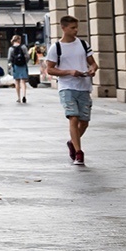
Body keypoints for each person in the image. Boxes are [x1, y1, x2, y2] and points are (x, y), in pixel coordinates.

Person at [44, 15, 98, 165]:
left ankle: (72, 142)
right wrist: (69, 72)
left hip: (84, 86)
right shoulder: (56, 48)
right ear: (63, 28)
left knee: (84, 122)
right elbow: (50, 69)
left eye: (76, 27)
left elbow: (93, 63)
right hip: (67, 87)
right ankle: (79, 153)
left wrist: (92, 70)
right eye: (72, 28)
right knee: (73, 117)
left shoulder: (83, 44)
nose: (76, 30)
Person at [6, 32, 30, 103]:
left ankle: (18, 97)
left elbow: (9, 58)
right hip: (23, 65)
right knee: (23, 81)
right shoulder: (23, 47)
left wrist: (10, 65)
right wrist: (25, 62)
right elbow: (27, 56)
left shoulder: (11, 48)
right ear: (19, 40)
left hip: (15, 65)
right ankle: (24, 95)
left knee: (17, 81)